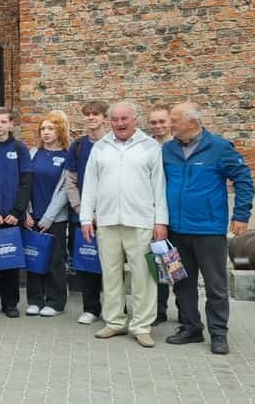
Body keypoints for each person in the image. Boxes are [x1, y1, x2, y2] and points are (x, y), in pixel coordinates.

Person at [163, 102, 254, 355]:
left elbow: (244, 179)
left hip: (208, 230)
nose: (170, 125)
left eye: (174, 120)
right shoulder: (168, 149)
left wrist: (241, 214)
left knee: (216, 285)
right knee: (181, 281)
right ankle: (190, 328)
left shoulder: (219, 148)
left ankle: (218, 333)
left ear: (192, 123)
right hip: (175, 230)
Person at [80, 101, 168, 348]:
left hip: (141, 221)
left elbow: (159, 186)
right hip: (107, 221)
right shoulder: (100, 147)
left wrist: (161, 221)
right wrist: (86, 217)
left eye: (124, 119)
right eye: (115, 119)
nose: (119, 124)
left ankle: (141, 326)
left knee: (143, 277)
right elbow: (90, 184)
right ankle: (115, 321)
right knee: (110, 275)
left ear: (135, 120)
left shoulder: (150, 146)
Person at [0, 107, 33, 319]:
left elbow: (26, 182)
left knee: (11, 259)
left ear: (11, 124)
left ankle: (10, 303)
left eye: (4, 122)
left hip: (13, 216)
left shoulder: (20, 148)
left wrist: (17, 211)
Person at [64, 100, 108, 325]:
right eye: (87, 114)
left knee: (112, 265)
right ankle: (91, 308)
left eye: (96, 114)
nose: (91, 118)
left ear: (104, 118)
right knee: (86, 262)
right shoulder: (78, 146)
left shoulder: (113, 143)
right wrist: (83, 212)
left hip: (110, 216)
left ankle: (114, 308)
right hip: (82, 217)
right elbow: (70, 181)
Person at [24, 111, 71, 317]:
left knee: (55, 260)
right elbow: (25, 184)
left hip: (55, 219)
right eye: (43, 128)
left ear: (60, 130)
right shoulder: (34, 153)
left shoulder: (67, 155)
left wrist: (49, 217)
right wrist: (26, 212)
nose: (46, 132)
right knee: (34, 257)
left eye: (50, 128)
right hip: (32, 216)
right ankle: (35, 300)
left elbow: (65, 190)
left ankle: (55, 302)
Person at [147, 102, 175, 325]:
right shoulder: (146, 146)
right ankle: (158, 310)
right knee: (158, 263)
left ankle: (186, 312)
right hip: (152, 214)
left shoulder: (177, 146)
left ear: (170, 122)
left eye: (162, 121)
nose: (158, 126)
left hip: (176, 214)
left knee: (175, 264)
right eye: (153, 122)